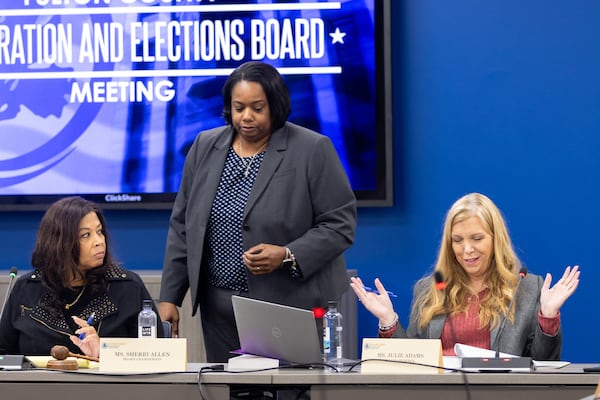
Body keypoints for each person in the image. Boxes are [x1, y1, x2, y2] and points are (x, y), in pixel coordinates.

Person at [158, 61, 357, 362]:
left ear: (275, 105)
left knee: (288, 392)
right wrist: (169, 298)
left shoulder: (312, 148)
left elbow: (340, 224)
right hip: (219, 309)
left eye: (257, 108)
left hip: (288, 302)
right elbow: (184, 227)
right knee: (230, 392)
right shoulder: (204, 146)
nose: (246, 117)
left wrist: (287, 254)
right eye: (239, 108)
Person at [350, 192, 580, 360]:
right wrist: (388, 320)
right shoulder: (430, 289)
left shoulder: (527, 287)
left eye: (477, 239)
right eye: (457, 240)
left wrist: (548, 316)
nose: (467, 249)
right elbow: (413, 363)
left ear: (495, 239)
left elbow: (544, 365)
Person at [0, 196, 163, 357]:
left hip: (106, 383)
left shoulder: (127, 287)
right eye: (86, 235)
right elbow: (3, 354)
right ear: (60, 243)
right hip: (40, 383)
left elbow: (158, 355)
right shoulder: (27, 288)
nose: (99, 241)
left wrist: (107, 352)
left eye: (99, 232)